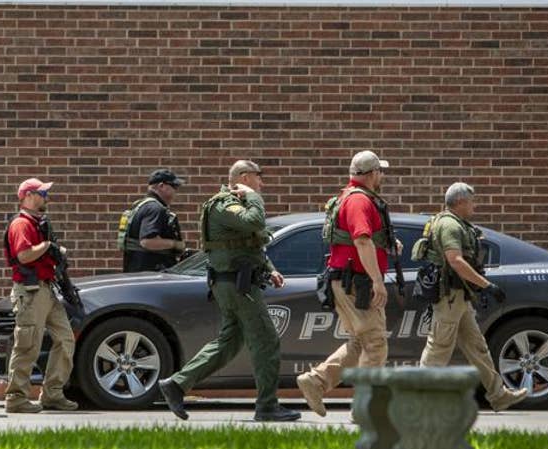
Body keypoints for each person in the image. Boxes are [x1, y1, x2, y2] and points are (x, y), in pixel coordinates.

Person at [158, 160, 299, 422]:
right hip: (237, 284)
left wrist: (270, 269)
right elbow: (254, 221)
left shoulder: (237, 203)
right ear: (245, 178)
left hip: (237, 281)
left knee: (229, 342)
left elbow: (250, 243)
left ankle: (176, 385)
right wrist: (254, 198)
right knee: (266, 341)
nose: (261, 184)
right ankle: (267, 406)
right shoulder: (224, 204)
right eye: (259, 178)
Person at [296, 150, 400, 417]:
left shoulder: (351, 197)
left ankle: (316, 382)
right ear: (372, 173)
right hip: (358, 283)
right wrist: (378, 281)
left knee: (359, 343)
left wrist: (386, 245)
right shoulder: (359, 201)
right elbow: (361, 240)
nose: (383, 176)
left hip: (347, 279)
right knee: (375, 343)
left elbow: (366, 240)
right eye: (380, 171)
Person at [418, 182, 528, 412]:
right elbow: (455, 260)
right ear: (459, 202)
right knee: (438, 348)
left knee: (477, 347)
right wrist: (487, 285)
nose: (474, 206)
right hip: (450, 297)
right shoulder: (449, 225)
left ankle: (498, 395)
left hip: (459, 297)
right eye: (471, 201)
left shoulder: (455, 223)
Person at [1, 178, 78, 414]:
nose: (46, 197)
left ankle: (53, 394)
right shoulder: (21, 224)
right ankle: (16, 398)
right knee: (28, 345)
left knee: (65, 339)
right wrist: (47, 246)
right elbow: (24, 256)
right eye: (42, 193)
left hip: (46, 289)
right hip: (30, 291)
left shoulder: (37, 224)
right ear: (28, 196)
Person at [121, 169, 187, 272]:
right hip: (151, 273)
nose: (176, 191)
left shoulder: (141, 205)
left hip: (138, 271)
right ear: (162, 186)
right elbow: (147, 241)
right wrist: (175, 244)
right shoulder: (155, 209)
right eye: (174, 186)